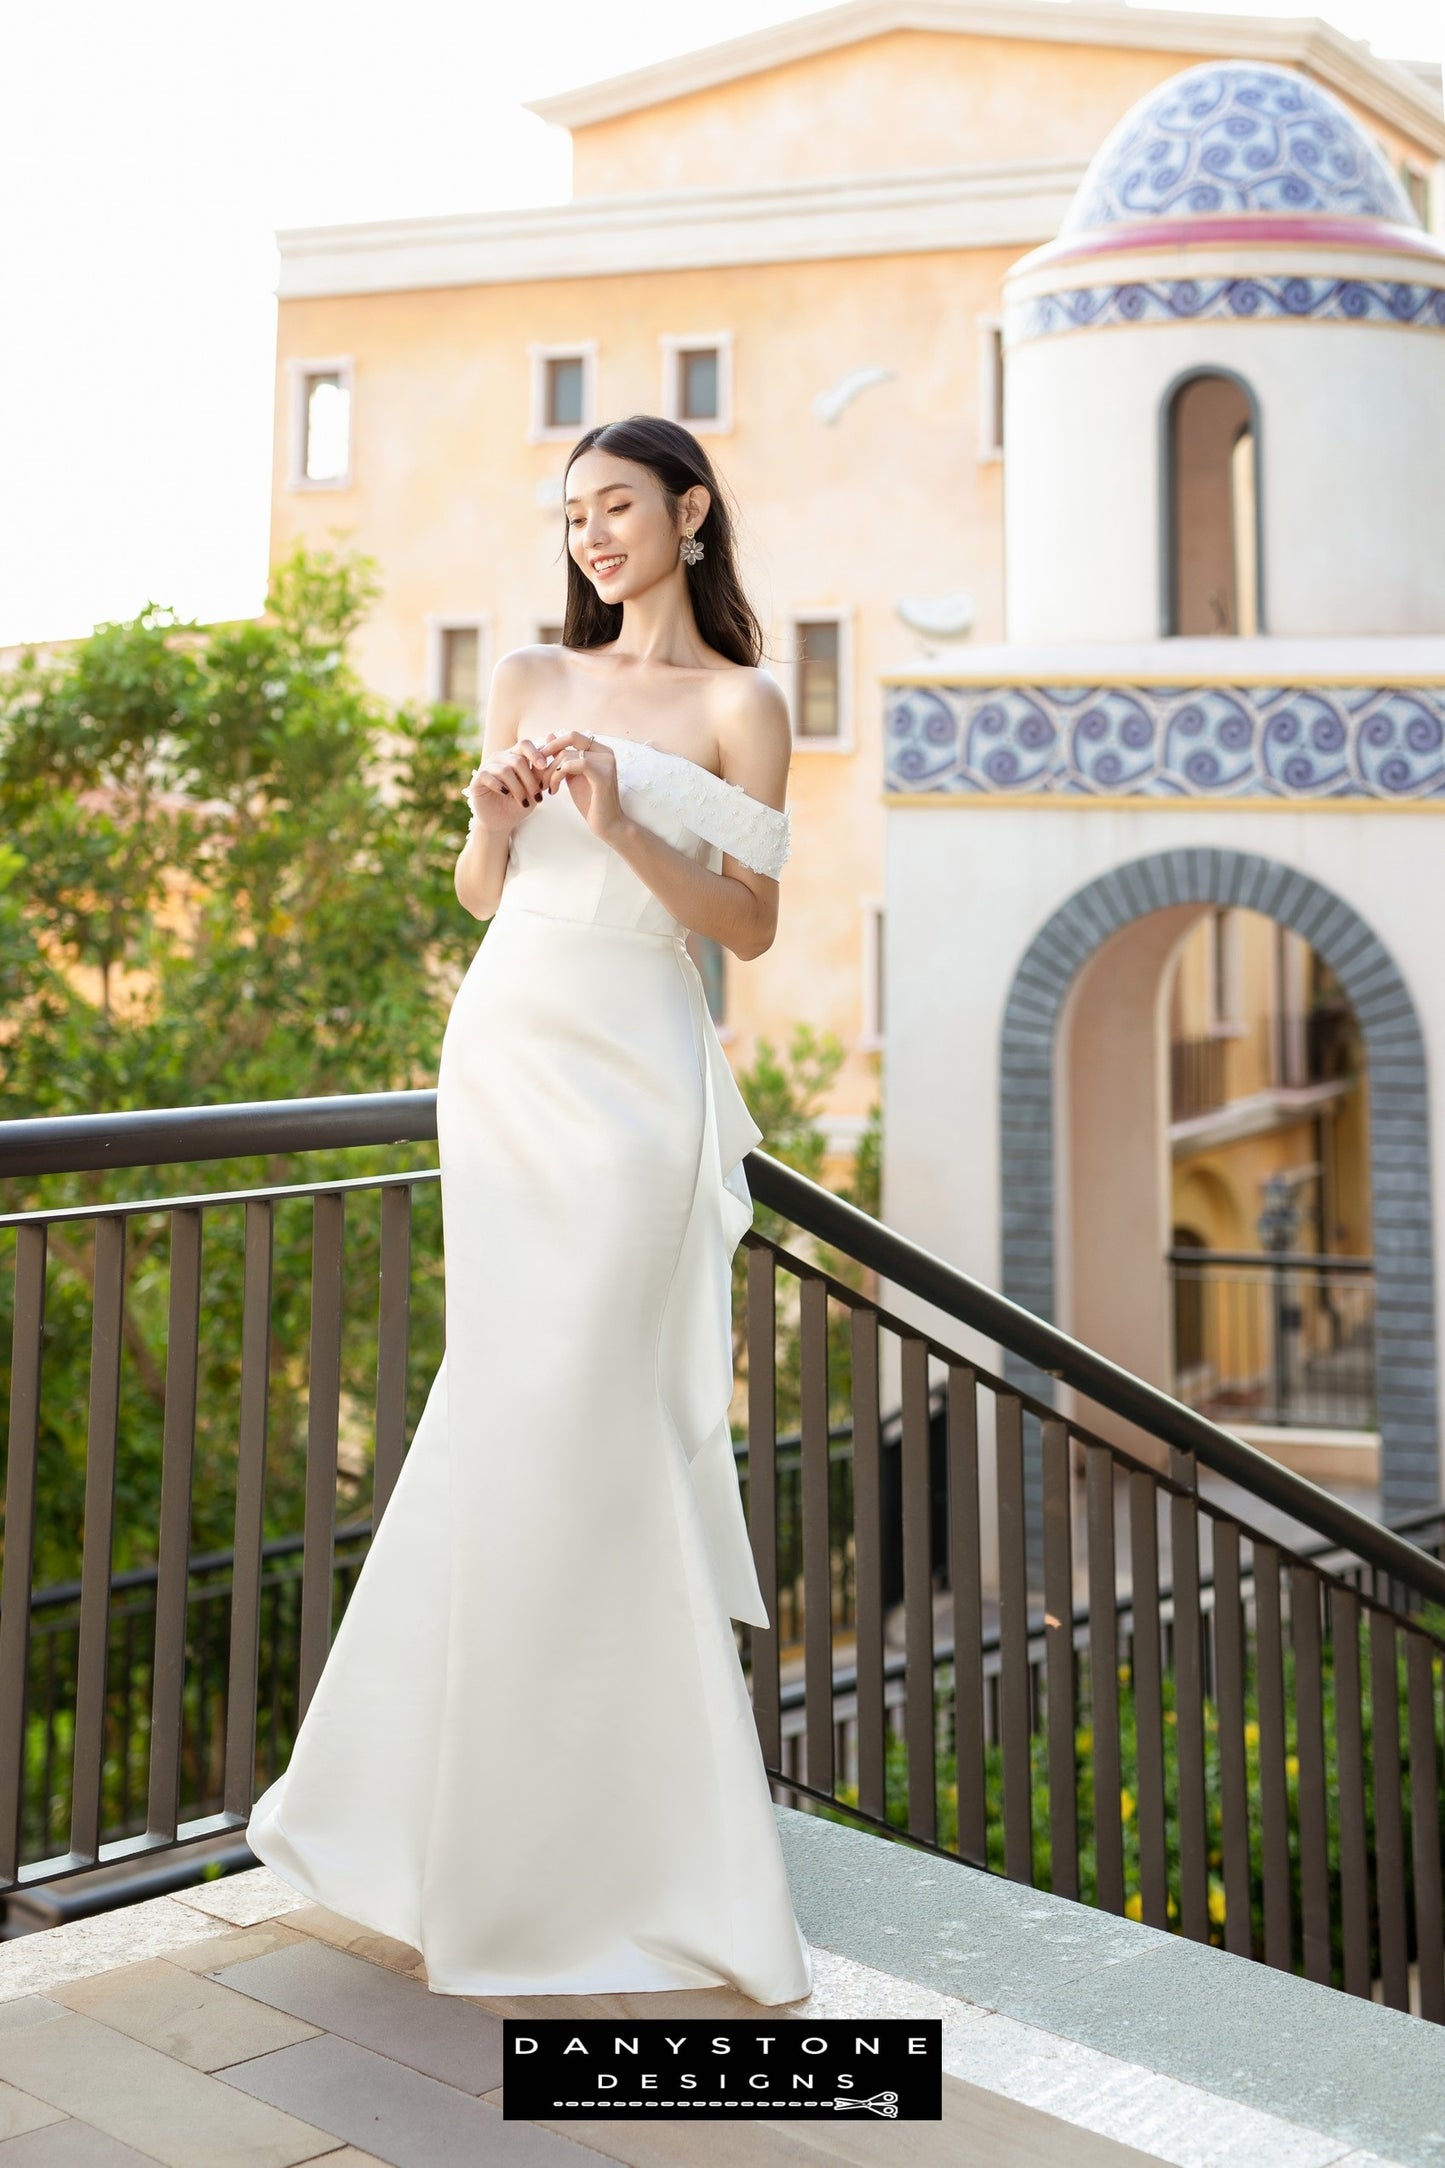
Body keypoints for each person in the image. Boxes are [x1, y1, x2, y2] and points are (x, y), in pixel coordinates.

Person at [246, 414, 813, 2006]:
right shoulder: (525, 674)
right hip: (504, 1057)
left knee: (591, 1413)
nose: (592, 537)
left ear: (690, 512)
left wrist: (630, 824)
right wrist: (499, 813)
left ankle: (633, 1846)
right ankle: (459, 1831)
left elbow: (753, 931)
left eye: (618, 507)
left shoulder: (738, 704)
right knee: (507, 1410)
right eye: (573, 515)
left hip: (635, 1072)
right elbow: (479, 891)